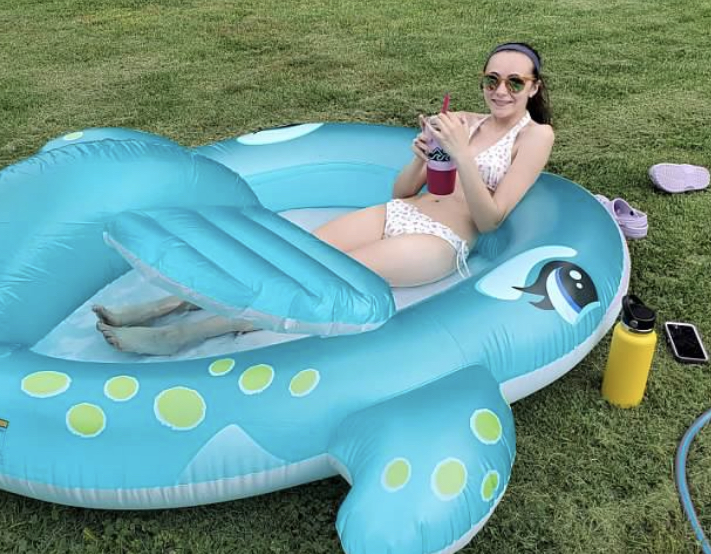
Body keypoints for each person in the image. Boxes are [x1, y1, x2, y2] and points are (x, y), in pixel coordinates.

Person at [94, 41, 555, 355]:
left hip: (441, 241)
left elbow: (491, 219)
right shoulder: (465, 120)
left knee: (312, 285)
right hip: (400, 211)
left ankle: (179, 336)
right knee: (289, 256)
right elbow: (402, 192)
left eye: (514, 83)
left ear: (533, 87)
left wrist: (461, 156)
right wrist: (420, 155)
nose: (500, 91)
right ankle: (165, 304)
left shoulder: (535, 136)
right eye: (491, 80)